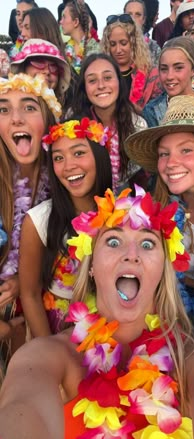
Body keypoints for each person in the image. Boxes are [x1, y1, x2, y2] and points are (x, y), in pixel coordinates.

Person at [0, 185, 194, 439]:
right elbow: (23, 408)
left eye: (147, 243)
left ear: (162, 270)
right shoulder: (44, 357)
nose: (131, 254)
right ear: (91, 266)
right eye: (113, 241)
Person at [125, 95, 194, 356]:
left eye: (186, 150)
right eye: (164, 154)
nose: (171, 162)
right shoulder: (152, 210)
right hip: (168, 303)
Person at [19, 117, 112, 337]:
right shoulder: (39, 220)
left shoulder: (124, 214)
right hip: (59, 332)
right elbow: (30, 294)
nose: (69, 166)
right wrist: (48, 349)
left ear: (100, 158)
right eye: (58, 158)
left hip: (111, 331)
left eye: (79, 153)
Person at [0, 73, 61, 365]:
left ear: (47, 122)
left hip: (49, 323)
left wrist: (25, 279)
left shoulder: (68, 181)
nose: (16, 119)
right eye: (3, 110)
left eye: (28, 107)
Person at [71, 53, 148, 194]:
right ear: (84, 88)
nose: (101, 86)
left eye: (107, 78)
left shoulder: (137, 126)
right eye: (92, 80)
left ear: (119, 81)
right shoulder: (73, 127)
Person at [101, 14, 161, 111]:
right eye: (112, 44)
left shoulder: (151, 74)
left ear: (133, 43)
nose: (118, 50)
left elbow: (159, 112)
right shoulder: (101, 74)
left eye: (123, 43)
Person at [10, 38, 71, 106]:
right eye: (39, 63)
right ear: (23, 68)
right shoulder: (6, 104)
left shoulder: (67, 113)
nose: (47, 71)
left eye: (53, 67)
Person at [60, 0, 100, 75]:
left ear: (75, 22)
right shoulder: (63, 50)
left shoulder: (95, 49)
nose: (60, 21)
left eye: (64, 17)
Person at [123, 0, 161, 65]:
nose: (133, 18)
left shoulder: (153, 48)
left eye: (138, 15)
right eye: (129, 14)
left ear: (143, 19)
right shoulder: (113, 44)